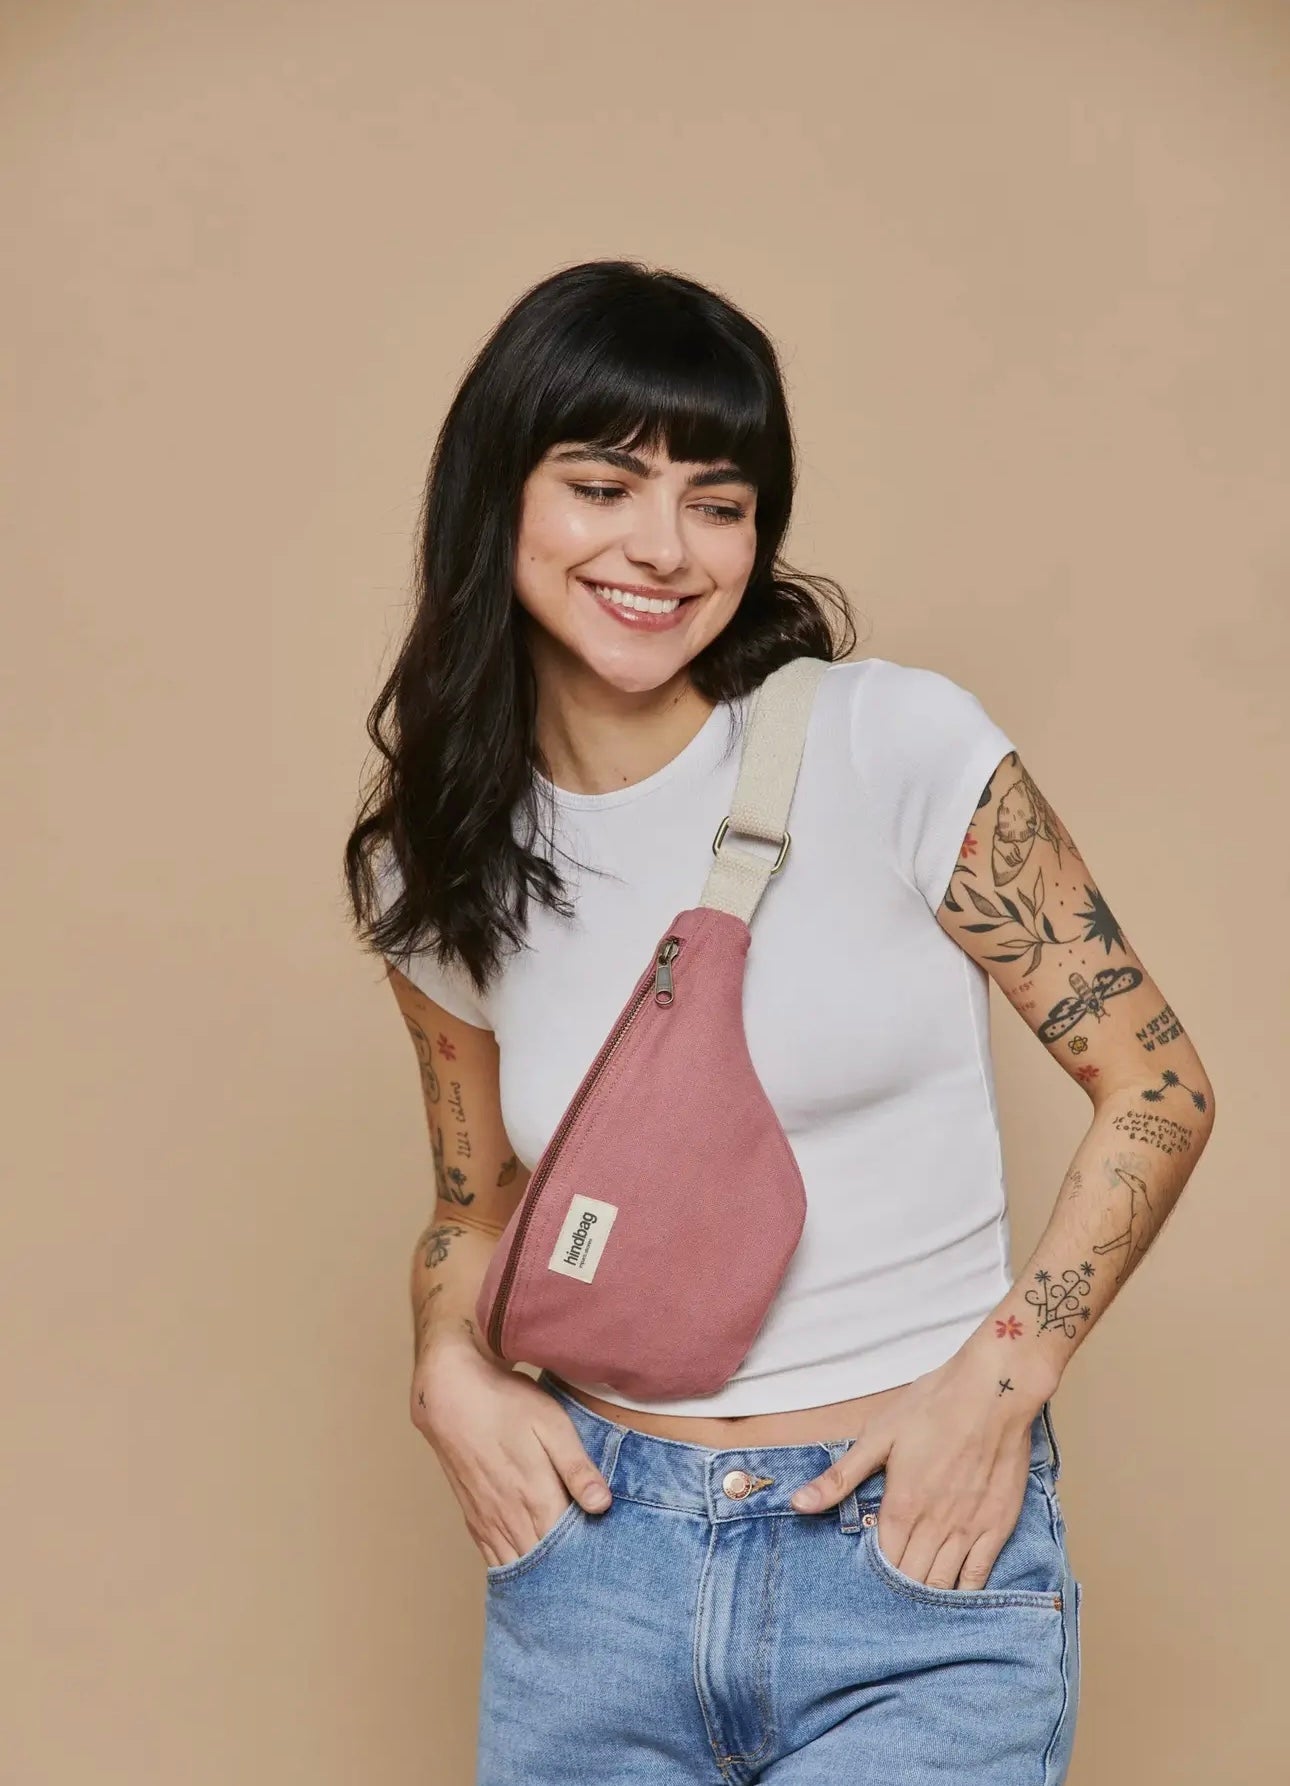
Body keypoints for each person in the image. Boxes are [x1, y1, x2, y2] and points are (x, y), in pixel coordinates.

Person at [344, 260, 1215, 1784]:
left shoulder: (889, 743)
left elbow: (1156, 1084)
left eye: (719, 502)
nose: (662, 547)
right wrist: (444, 1368)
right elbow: (474, 1208)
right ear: (497, 498)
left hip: (905, 1558)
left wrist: (999, 1383)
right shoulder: (437, 861)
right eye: (602, 486)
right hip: (592, 1570)